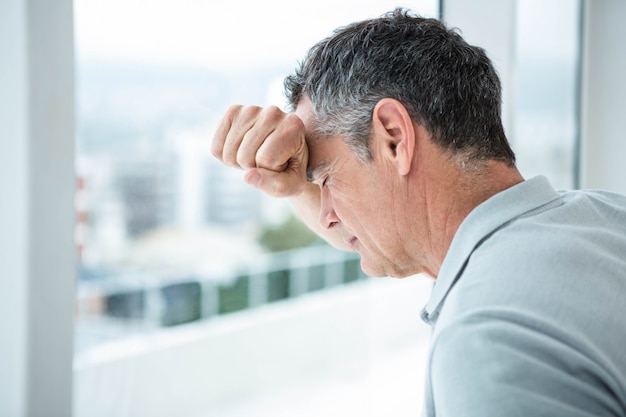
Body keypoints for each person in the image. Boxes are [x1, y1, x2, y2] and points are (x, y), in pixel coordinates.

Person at [211, 8, 626, 417]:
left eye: (325, 180)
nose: (326, 216)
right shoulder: (605, 218)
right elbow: (368, 228)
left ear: (394, 138)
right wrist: (301, 182)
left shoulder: (489, 335)